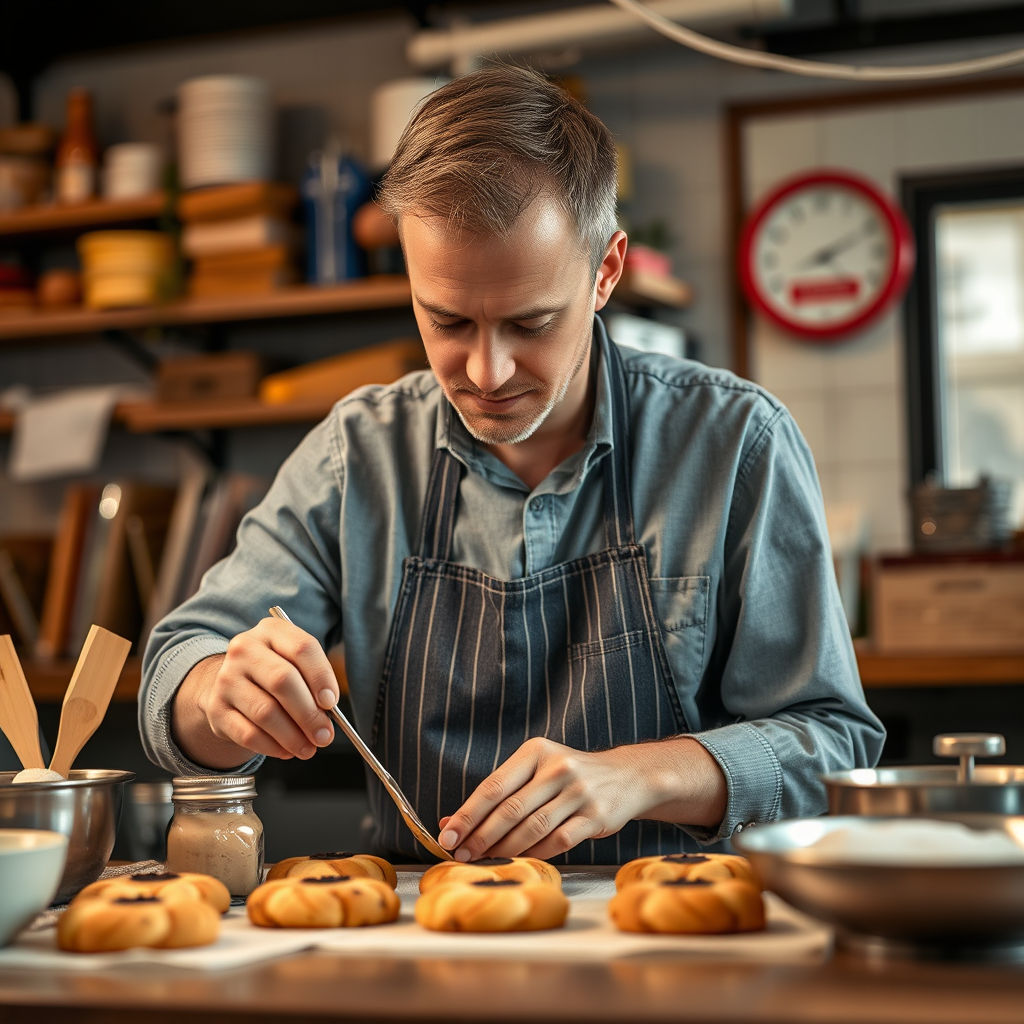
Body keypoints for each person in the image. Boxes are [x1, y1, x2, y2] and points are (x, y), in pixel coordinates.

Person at [140, 64, 884, 865]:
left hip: (673, 923)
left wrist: (638, 777)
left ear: (605, 271)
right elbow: (175, 671)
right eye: (447, 320)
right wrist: (219, 695)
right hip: (423, 927)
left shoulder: (737, 443)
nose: (486, 372)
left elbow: (833, 746)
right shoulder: (357, 455)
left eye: (531, 324)